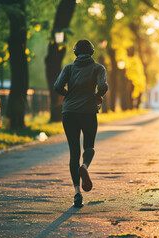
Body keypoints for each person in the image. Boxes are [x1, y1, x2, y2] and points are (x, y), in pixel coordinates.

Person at [53, 39, 108, 208]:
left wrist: (68, 94)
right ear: (91, 52)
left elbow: (57, 86)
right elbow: (103, 86)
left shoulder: (68, 68)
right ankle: (85, 166)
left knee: (73, 152)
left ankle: (77, 193)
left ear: (75, 53)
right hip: (88, 111)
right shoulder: (98, 68)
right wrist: (97, 95)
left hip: (69, 112)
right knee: (89, 147)